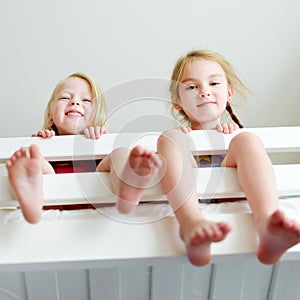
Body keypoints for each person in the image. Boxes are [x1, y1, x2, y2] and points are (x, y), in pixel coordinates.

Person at [155, 50, 300, 266]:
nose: (204, 91)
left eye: (213, 84)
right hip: (194, 193)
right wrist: (180, 141)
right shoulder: (180, 138)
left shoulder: (234, 137)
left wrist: (233, 137)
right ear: (177, 102)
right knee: (170, 137)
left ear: (229, 93)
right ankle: (191, 223)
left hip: (234, 193)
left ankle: (267, 226)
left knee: (248, 139)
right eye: (192, 87)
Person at [6, 73, 162, 224]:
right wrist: (40, 145)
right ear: (50, 117)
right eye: (65, 97)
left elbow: (106, 156)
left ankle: (128, 186)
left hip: (97, 198)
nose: (75, 102)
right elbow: (36, 152)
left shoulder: (100, 140)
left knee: (119, 152)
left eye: (86, 100)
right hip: (54, 200)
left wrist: (101, 139)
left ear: (96, 117)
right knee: (32, 157)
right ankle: (32, 201)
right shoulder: (45, 141)